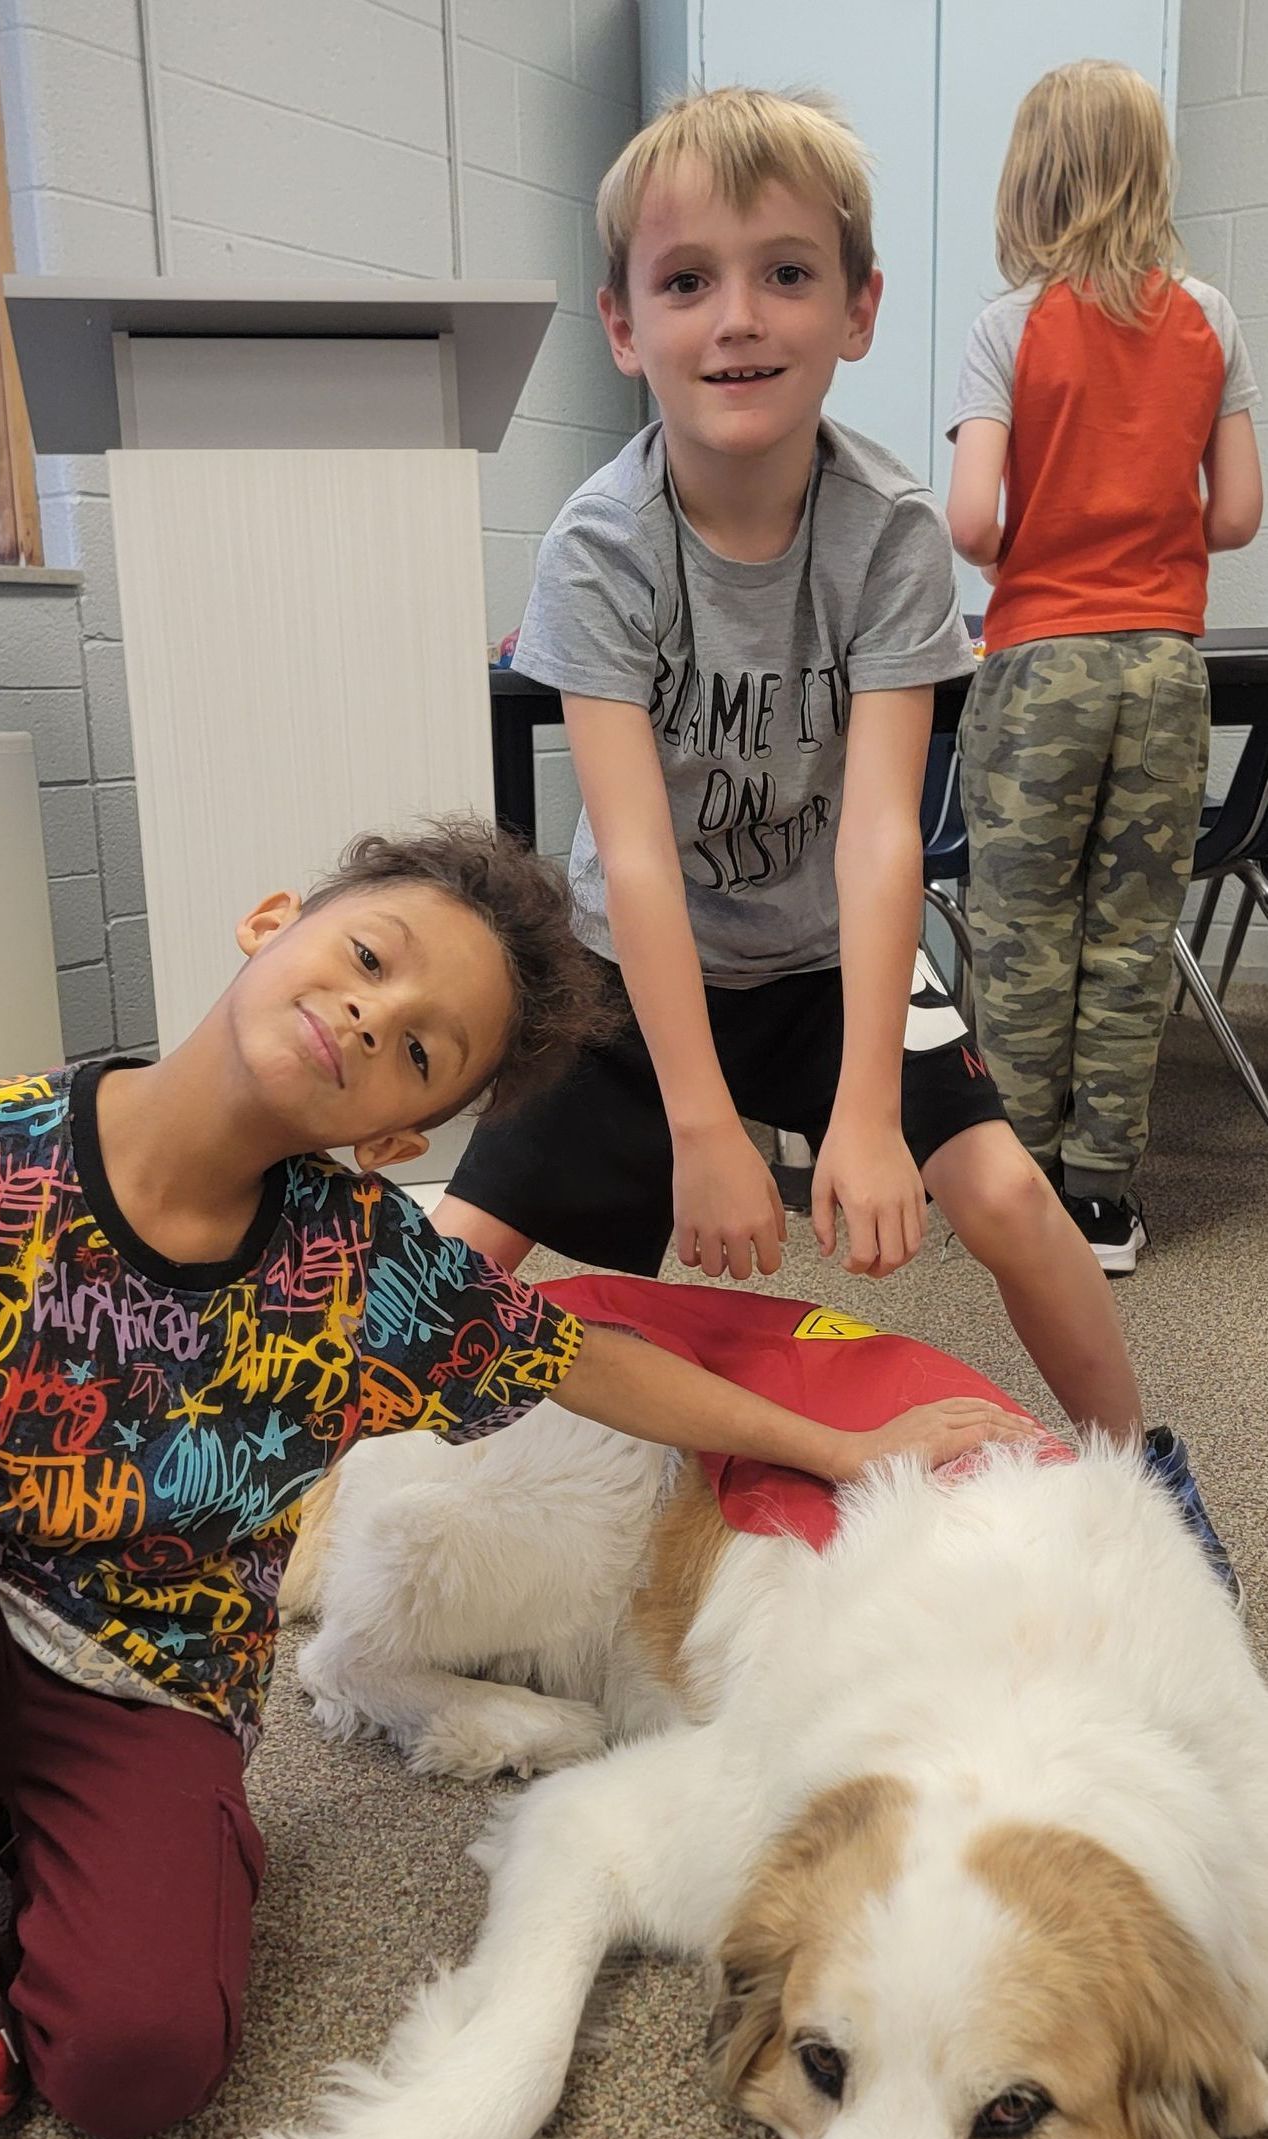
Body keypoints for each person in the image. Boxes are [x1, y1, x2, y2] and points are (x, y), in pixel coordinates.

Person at [0, 820, 1030, 2139]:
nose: (374, 1016)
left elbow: (581, 1357)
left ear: (397, 1131)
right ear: (268, 923)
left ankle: (66, 1838)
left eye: (420, 1049)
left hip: (146, 1683)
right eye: (369, 956)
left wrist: (836, 1450)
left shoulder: (357, 1263)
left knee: (139, 2067)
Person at [432, 87, 1238, 1587]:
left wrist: (864, 1105)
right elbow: (636, 853)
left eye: (786, 273)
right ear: (623, 324)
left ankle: (1142, 1482)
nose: (738, 318)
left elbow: (883, 836)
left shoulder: (893, 531)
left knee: (1007, 1190)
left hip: (824, 957)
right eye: (688, 281)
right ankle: (285, 1501)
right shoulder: (598, 547)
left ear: (858, 310)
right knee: (448, 1258)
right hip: (631, 972)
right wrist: (700, 1126)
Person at [947, 58, 1262, 1275]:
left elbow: (974, 521)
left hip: (1039, 664)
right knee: (1133, 932)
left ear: (1031, 175)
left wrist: (1043, 531)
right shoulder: (1209, 316)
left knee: (1023, 925)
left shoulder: (1007, 327)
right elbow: (1235, 514)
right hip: (1163, 669)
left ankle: (1017, 1185)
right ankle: (1102, 1201)